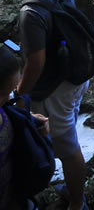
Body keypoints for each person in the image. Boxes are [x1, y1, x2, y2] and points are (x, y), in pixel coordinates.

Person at [16, 0, 89, 210]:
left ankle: (78, 203)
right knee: (67, 134)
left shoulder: (30, 12)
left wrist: (20, 94)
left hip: (55, 87)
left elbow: (36, 62)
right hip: (75, 76)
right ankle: (73, 189)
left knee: (68, 148)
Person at [1, 40, 50, 209]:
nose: (8, 100)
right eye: (3, 94)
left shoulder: (5, 110)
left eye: (11, 92)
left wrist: (29, 120)